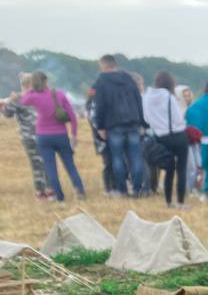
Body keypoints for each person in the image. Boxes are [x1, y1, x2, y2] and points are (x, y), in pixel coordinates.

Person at [20, 71, 85, 202]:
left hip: (43, 136)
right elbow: (72, 116)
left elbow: (23, 100)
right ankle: (80, 191)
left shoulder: (34, 97)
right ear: (47, 81)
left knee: (50, 168)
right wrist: (74, 134)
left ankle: (59, 197)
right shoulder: (59, 94)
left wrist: (30, 88)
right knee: (70, 165)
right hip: (61, 134)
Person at [90, 54, 147, 196]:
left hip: (113, 125)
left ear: (103, 65)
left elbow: (99, 106)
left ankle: (122, 189)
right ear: (115, 64)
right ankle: (137, 188)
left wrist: (100, 126)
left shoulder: (101, 82)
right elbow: (138, 101)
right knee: (135, 156)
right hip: (133, 122)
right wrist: (141, 122)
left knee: (117, 158)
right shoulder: (128, 79)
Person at [143, 70, 190, 207]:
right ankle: (180, 201)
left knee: (169, 169)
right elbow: (178, 118)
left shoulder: (147, 97)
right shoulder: (170, 98)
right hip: (178, 135)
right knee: (181, 169)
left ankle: (168, 201)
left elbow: (146, 118)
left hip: (161, 136)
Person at [3, 73, 52, 200]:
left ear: (23, 85)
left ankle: (41, 193)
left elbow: (7, 114)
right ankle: (51, 190)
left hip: (29, 137)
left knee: (37, 164)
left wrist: (8, 103)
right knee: (47, 162)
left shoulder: (19, 98)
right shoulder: (41, 96)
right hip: (46, 134)